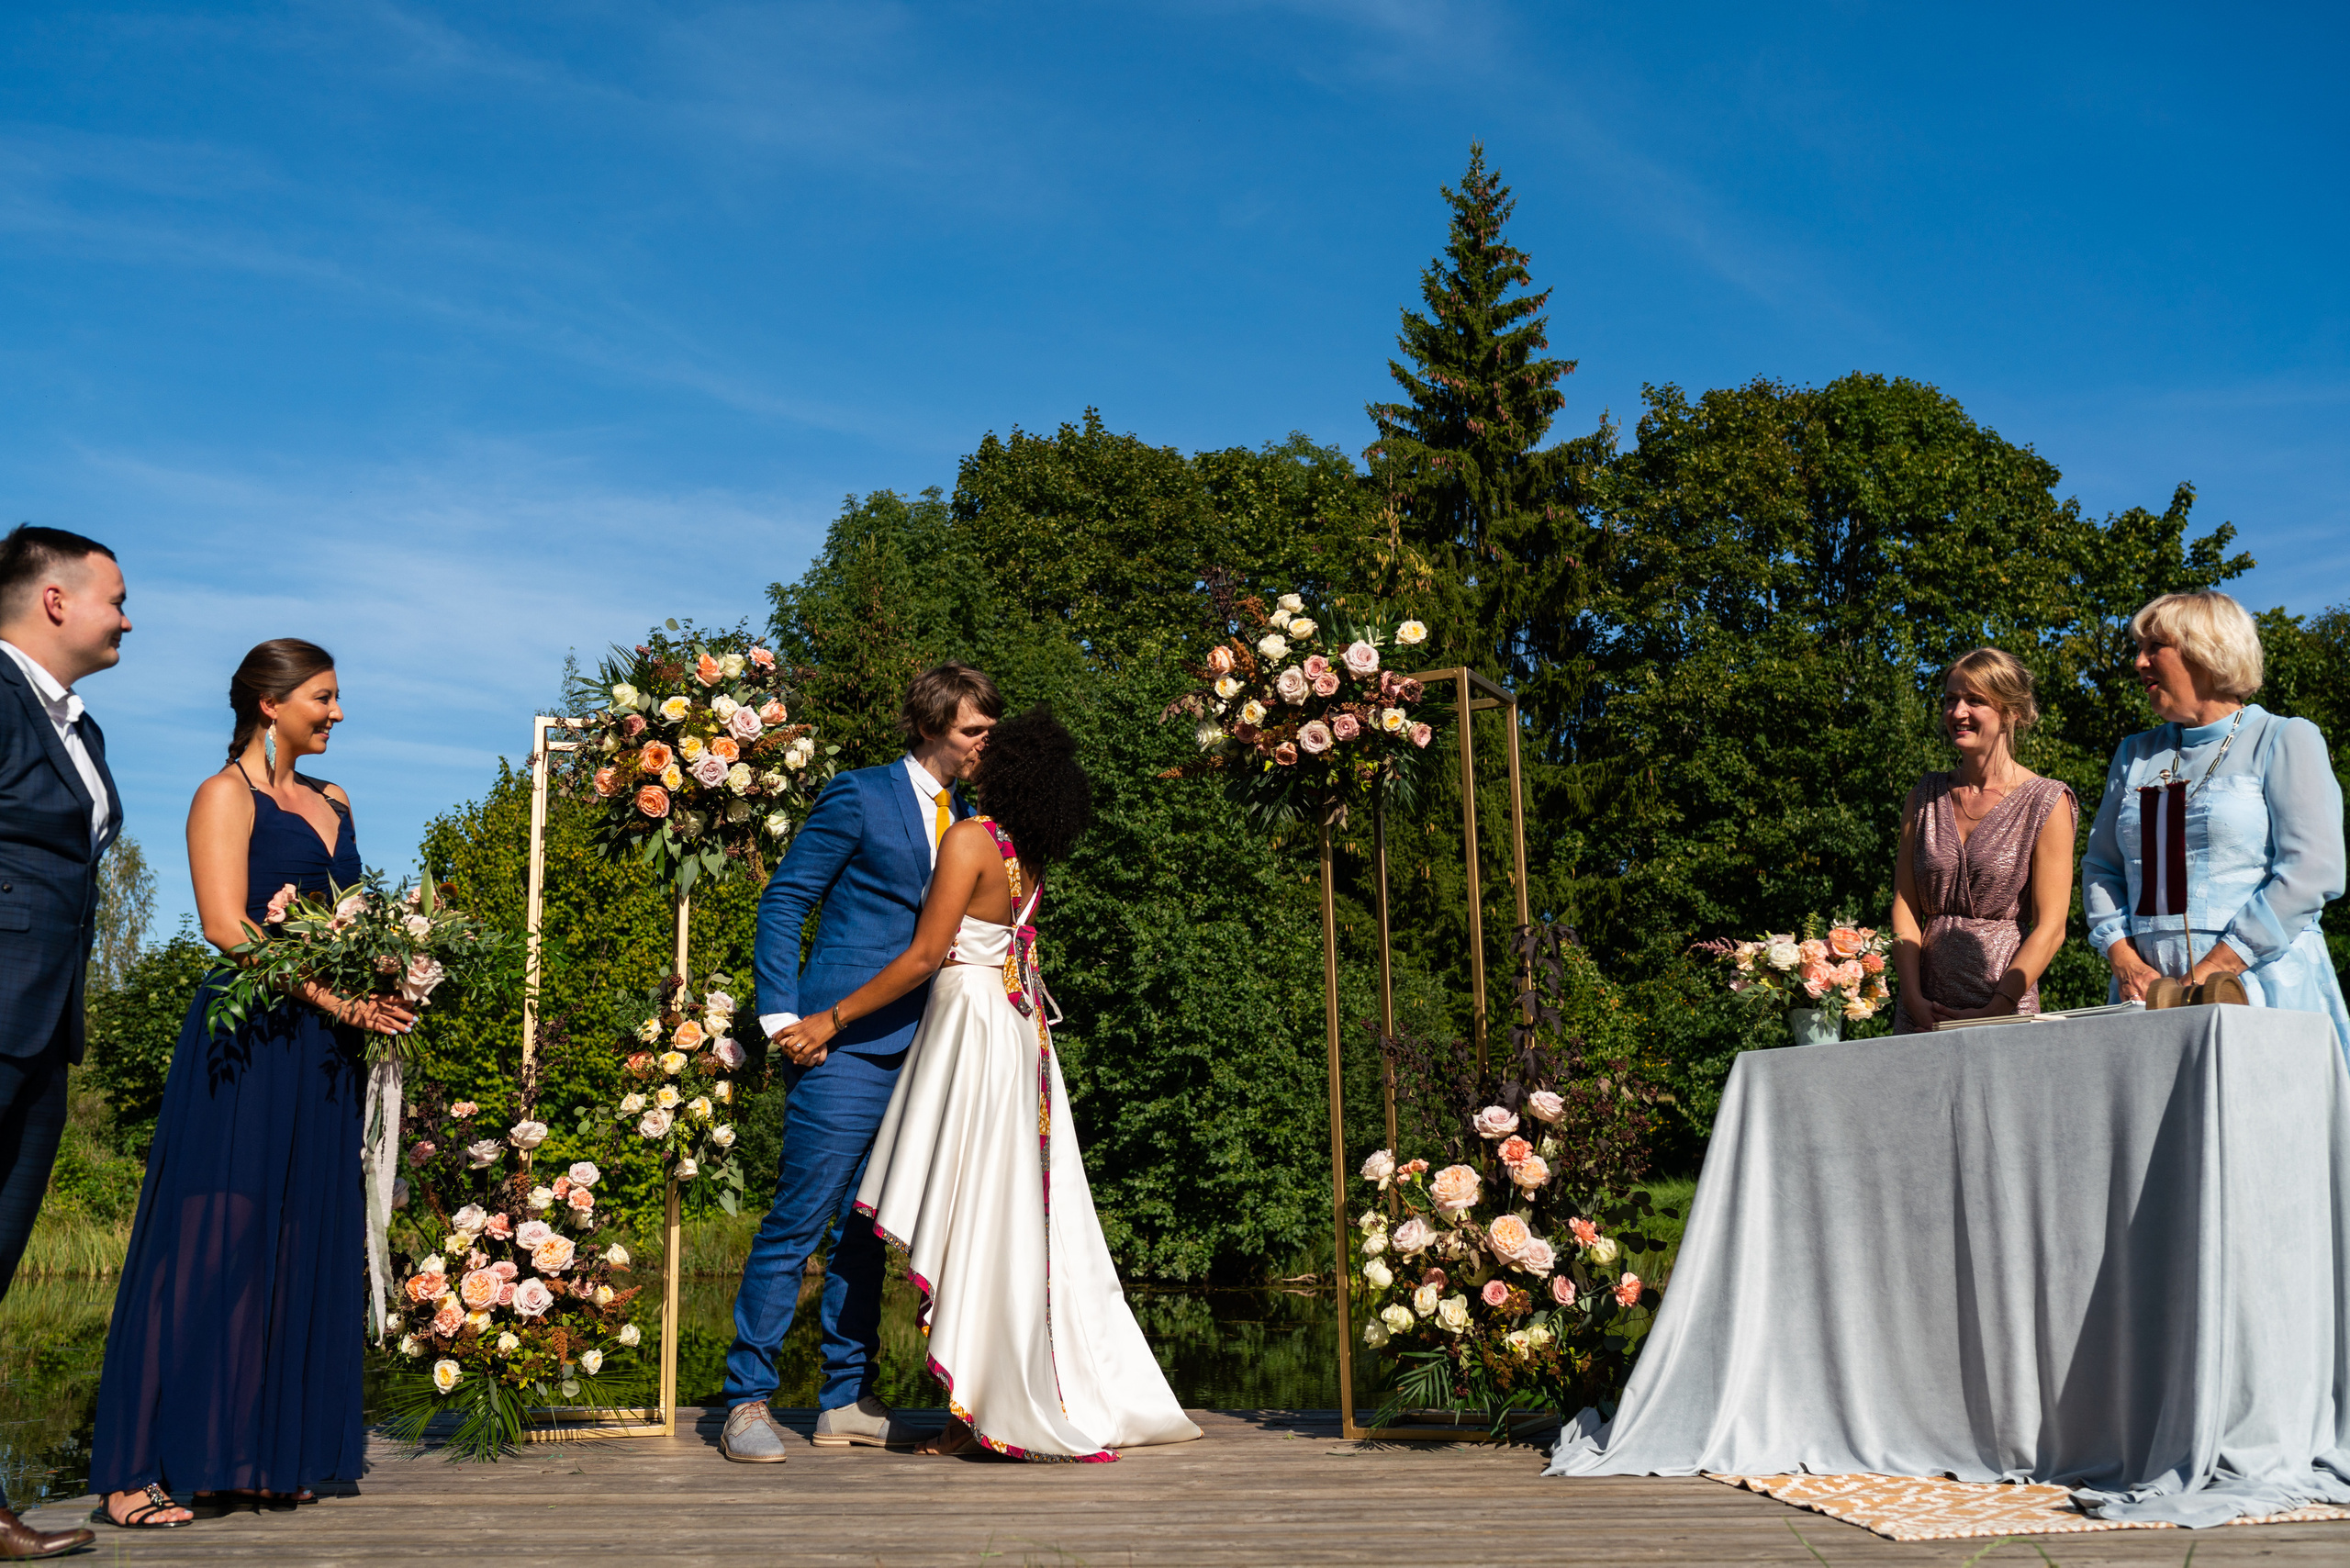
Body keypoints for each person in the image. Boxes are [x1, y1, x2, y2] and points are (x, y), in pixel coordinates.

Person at [776, 708, 1199, 1461]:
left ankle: (978, 1413)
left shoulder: (970, 839)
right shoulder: (1024, 854)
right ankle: (974, 1408)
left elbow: (922, 957)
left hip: (969, 1022)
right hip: (1016, 1030)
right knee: (1008, 1208)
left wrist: (829, 1019)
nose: (978, 757)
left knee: (974, 1210)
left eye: (991, 751)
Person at [85, 641, 414, 1530]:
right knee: (209, 1244)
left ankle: (256, 1457)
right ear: (270, 704)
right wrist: (335, 998)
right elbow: (227, 927)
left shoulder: (334, 800)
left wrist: (394, 973)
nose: (337, 713)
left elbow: (351, 916)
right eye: (324, 696)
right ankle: (131, 1470)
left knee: (300, 1238)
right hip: (250, 1039)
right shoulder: (222, 795)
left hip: (327, 1050)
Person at [717, 665, 1002, 1463]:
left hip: (936, 1051)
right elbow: (786, 898)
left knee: (870, 1230)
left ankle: (844, 1395)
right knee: (800, 1221)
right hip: (841, 1044)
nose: (986, 743)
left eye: (988, 730)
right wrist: (782, 1015)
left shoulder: (977, 817)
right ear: (929, 726)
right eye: (973, 730)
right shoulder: (859, 795)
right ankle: (746, 1400)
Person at [0, 524, 127, 1561]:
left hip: (43, 1028)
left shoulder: (82, 730)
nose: (127, 617)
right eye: (115, 598)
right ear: (54, 599)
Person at [2082, 591, 2348, 1051]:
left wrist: (2208, 973)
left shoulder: (2284, 738)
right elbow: (2101, 868)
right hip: (2149, 994)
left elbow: (2311, 874)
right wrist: (2123, 958)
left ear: (2205, 651)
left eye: (2154, 647)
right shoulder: (2134, 752)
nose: (2139, 663)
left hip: (2259, 984)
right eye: (2138, 650)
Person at [1889, 648, 2078, 1031]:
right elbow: (1905, 908)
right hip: (1923, 1007)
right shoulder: (1924, 795)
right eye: (1950, 699)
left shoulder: (2047, 801)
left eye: (1974, 701)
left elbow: (2051, 927)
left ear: (2012, 712)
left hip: (2003, 1008)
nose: (1957, 712)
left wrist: (1998, 1007)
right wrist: (1911, 997)